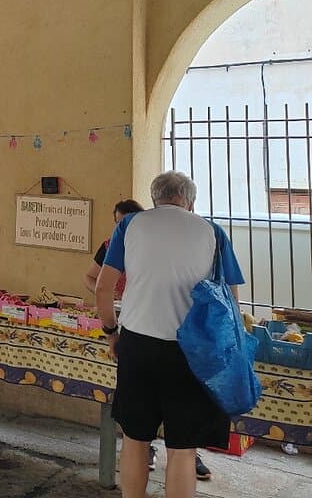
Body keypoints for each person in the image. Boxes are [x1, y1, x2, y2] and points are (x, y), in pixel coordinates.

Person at [96, 171, 245, 498]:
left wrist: (112, 334)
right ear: (190, 202)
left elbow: (103, 288)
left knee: (135, 440)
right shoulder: (213, 233)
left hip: (137, 345)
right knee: (183, 448)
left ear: (154, 199)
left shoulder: (129, 226)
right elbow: (230, 302)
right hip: (191, 354)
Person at [84, 199, 144, 297]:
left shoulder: (148, 247)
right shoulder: (108, 246)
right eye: (118, 223)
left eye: (127, 223)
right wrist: (105, 293)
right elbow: (89, 278)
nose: (122, 228)